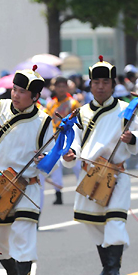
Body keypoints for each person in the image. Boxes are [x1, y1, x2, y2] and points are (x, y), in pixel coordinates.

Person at [63, 56, 138, 275]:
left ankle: (114, 269)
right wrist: (70, 152)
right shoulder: (81, 112)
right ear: (90, 84)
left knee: (115, 220)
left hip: (116, 174)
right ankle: (106, 267)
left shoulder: (124, 109)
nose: (100, 86)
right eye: (96, 82)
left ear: (112, 85)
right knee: (93, 222)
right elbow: (75, 140)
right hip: (90, 173)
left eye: (105, 82)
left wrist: (131, 138)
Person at [0, 66, 54, 275]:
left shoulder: (43, 121)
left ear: (35, 97)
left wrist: (47, 159)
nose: (17, 94)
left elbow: (51, 155)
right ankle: (11, 274)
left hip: (26, 186)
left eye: (23, 92)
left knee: (23, 235)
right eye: (15, 89)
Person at [44, 76, 80, 205]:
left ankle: (82, 191)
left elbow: (78, 121)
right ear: (54, 87)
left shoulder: (73, 103)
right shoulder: (50, 104)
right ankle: (58, 194)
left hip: (70, 137)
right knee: (56, 165)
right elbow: (47, 120)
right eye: (58, 86)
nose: (60, 89)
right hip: (55, 137)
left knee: (76, 163)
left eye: (63, 86)